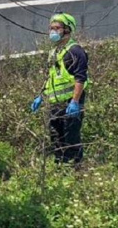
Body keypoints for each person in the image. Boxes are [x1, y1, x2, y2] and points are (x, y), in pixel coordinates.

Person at [31, 13, 89, 165]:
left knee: (71, 137)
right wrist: (41, 96)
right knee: (56, 136)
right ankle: (60, 164)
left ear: (67, 30)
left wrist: (75, 101)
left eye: (57, 28)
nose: (53, 31)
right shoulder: (54, 52)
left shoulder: (75, 51)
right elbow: (51, 77)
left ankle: (75, 166)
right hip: (55, 103)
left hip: (71, 102)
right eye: (51, 28)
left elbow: (80, 78)